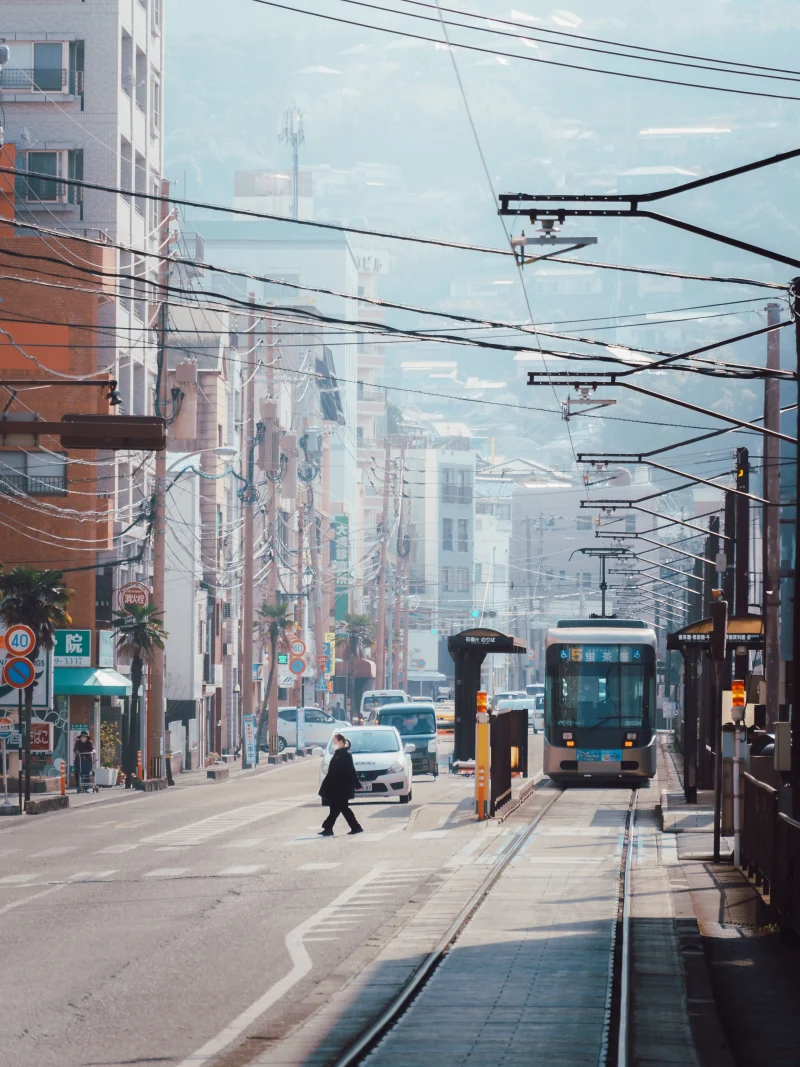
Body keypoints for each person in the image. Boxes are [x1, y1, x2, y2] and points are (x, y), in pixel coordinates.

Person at [318, 733, 363, 836]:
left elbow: (351, 771)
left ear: (341, 742)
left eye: (335, 742)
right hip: (335, 787)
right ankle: (330, 828)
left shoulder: (346, 755)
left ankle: (331, 828)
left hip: (342, 788)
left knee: (340, 808)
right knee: (337, 808)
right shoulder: (338, 754)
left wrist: (357, 785)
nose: (334, 744)